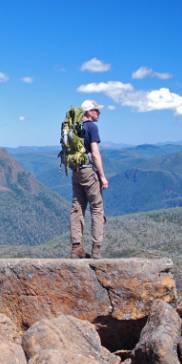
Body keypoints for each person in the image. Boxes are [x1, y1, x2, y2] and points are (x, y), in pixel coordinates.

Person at [70, 100, 109, 258]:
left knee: (77, 208)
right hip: (88, 171)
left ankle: (76, 248)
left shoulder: (76, 127)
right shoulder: (92, 127)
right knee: (97, 208)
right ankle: (96, 250)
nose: (98, 112)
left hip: (76, 170)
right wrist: (102, 176)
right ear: (88, 112)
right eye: (96, 110)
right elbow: (95, 153)